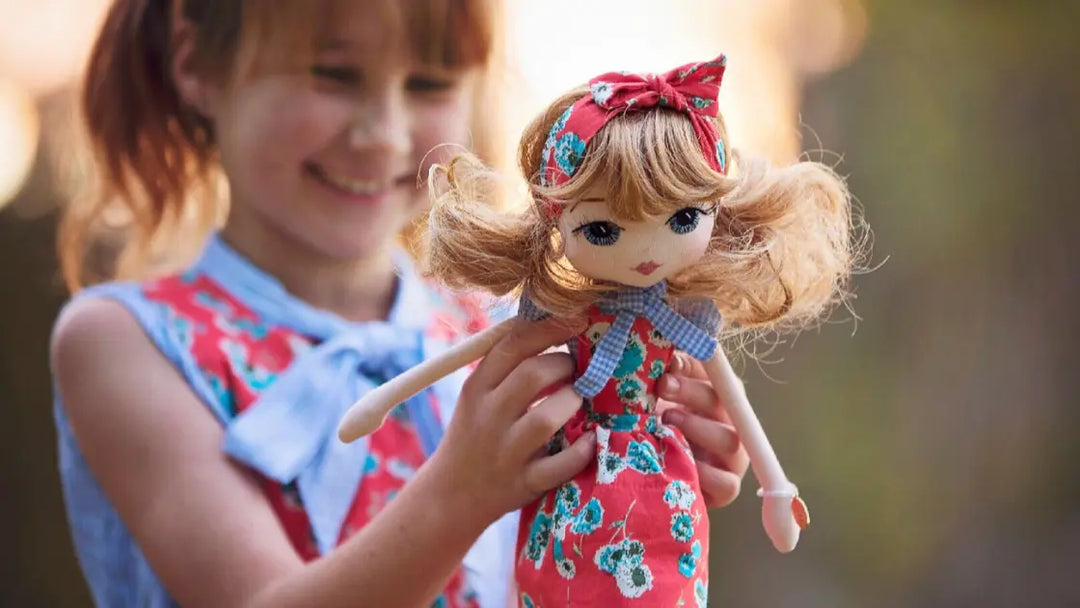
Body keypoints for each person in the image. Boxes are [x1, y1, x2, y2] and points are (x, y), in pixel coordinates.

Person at [49, 1, 749, 606]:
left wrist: (643, 477)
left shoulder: (496, 321)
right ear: (197, 65)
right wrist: (460, 494)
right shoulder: (128, 342)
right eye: (334, 74)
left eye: (429, 83)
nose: (383, 131)